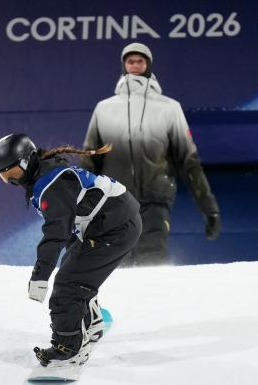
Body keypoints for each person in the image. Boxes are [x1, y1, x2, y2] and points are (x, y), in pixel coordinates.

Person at [0, 132, 141, 367]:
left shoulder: (51, 185)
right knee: (75, 268)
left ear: (28, 161)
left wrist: (40, 276)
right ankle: (91, 322)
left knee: (67, 285)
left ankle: (68, 349)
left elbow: (55, 233)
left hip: (115, 227)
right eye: (5, 177)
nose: (13, 182)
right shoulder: (43, 174)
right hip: (106, 221)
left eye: (14, 175)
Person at [80, 42, 220, 265]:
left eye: (140, 61)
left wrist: (209, 209)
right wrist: (80, 208)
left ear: (149, 65)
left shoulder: (169, 108)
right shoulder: (104, 108)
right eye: (130, 61)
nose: (135, 65)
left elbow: (189, 162)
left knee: (152, 262)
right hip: (114, 201)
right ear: (123, 65)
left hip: (155, 200)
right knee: (116, 265)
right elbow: (89, 161)